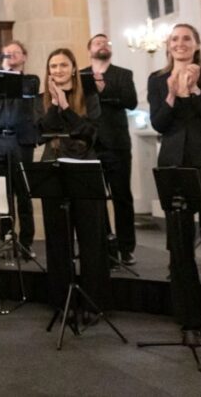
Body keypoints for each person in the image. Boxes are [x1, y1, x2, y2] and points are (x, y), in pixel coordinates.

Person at [147, 24, 201, 342]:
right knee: (180, 244)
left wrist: (195, 90)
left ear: (197, 44)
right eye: (174, 39)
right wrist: (172, 94)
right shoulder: (157, 80)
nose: (180, 43)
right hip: (174, 165)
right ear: (168, 46)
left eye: (187, 38)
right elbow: (159, 123)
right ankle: (189, 317)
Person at [37, 48, 110, 314]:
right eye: (53, 66)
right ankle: (62, 303)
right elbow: (40, 133)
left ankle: (93, 304)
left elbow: (90, 134)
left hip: (84, 170)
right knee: (58, 242)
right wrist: (55, 105)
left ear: (73, 69)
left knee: (91, 241)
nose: (58, 70)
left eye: (63, 65)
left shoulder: (89, 97)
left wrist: (66, 107)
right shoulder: (41, 100)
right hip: (53, 171)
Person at [81, 34, 138, 265]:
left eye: (106, 43)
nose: (103, 45)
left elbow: (131, 102)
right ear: (89, 50)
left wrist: (104, 91)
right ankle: (106, 244)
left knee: (122, 196)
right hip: (90, 144)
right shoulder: (81, 75)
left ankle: (126, 247)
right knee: (96, 199)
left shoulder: (123, 74)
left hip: (116, 143)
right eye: (97, 43)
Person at [0, 40, 38, 258]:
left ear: (24, 56)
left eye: (15, 52)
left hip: (20, 141)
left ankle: (26, 242)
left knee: (23, 193)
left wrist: (4, 73)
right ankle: (6, 238)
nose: (11, 55)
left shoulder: (30, 80)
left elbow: (25, 93)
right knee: (1, 194)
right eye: (7, 53)